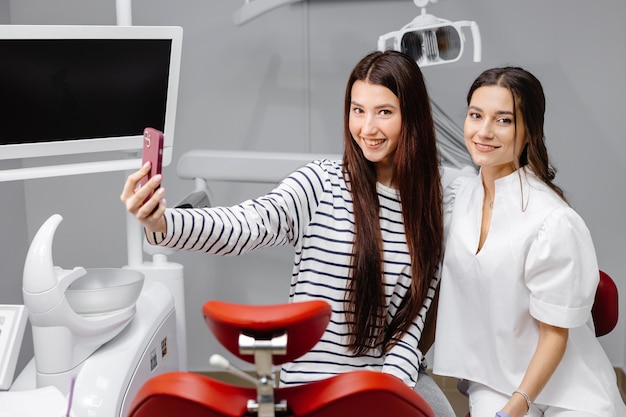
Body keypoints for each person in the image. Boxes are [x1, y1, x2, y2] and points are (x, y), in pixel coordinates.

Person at [121, 50, 456, 416]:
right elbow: (246, 225)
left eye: (384, 112)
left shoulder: (429, 210)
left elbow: (410, 328)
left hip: (378, 382)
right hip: (310, 387)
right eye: (357, 110)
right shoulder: (321, 183)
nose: (367, 128)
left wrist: (385, 394)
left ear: (412, 116)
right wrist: (163, 223)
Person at [432, 66, 626, 417]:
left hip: (569, 390)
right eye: (476, 115)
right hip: (494, 378)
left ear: (529, 132)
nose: (484, 131)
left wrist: (513, 410)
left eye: (503, 120)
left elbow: (555, 337)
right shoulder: (462, 195)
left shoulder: (551, 221)